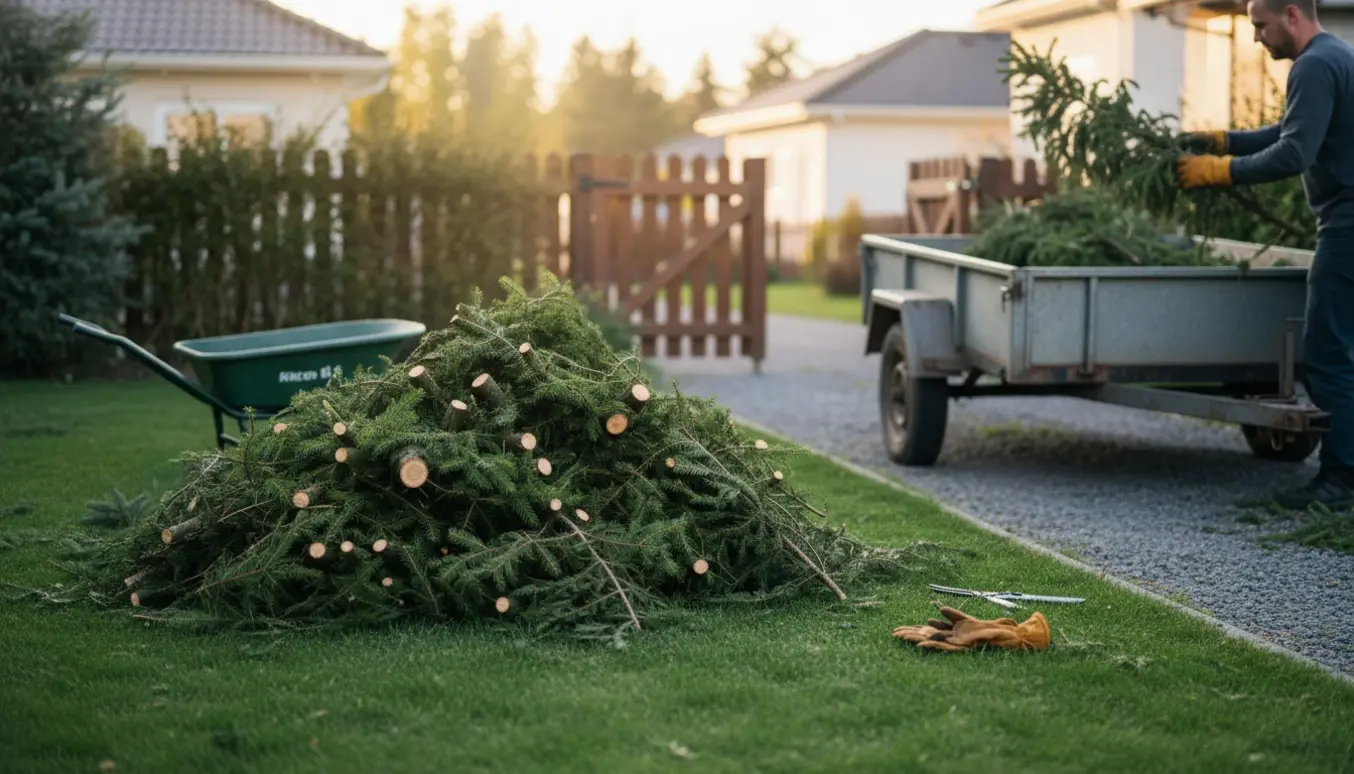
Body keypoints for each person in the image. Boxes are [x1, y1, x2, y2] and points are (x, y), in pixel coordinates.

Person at [1176, 0, 1354, 510]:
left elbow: (1294, 152)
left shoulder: (1315, 64)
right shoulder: (1336, 55)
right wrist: (1223, 141)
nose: (1256, 36)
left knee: (1327, 353)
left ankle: (1341, 477)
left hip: (1346, 225)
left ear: (1292, 14)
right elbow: (1292, 130)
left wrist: (1220, 172)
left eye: (1260, 24)